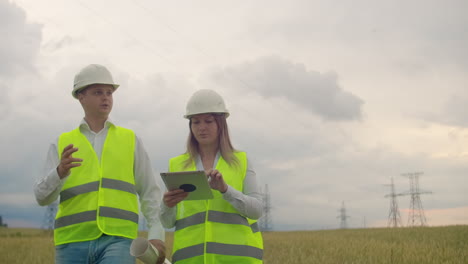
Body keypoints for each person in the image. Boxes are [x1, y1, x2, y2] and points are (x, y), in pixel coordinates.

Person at [34, 64, 166, 264]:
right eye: (98, 92)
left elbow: (149, 191)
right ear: (81, 96)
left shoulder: (130, 140)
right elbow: (41, 197)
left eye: (109, 92)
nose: (106, 97)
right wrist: (59, 172)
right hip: (71, 242)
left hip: (119, 240)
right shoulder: (61, 143)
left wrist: (156, 233)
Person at [160, 89, 264, 263]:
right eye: (195, 122)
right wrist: (167, 205)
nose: (201, 127)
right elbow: (167, 223)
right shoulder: (176, 165)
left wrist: (225, 190)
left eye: (208, 121)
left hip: (238, 260)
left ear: (221, 124)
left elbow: (256, 211)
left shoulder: (241, 161)